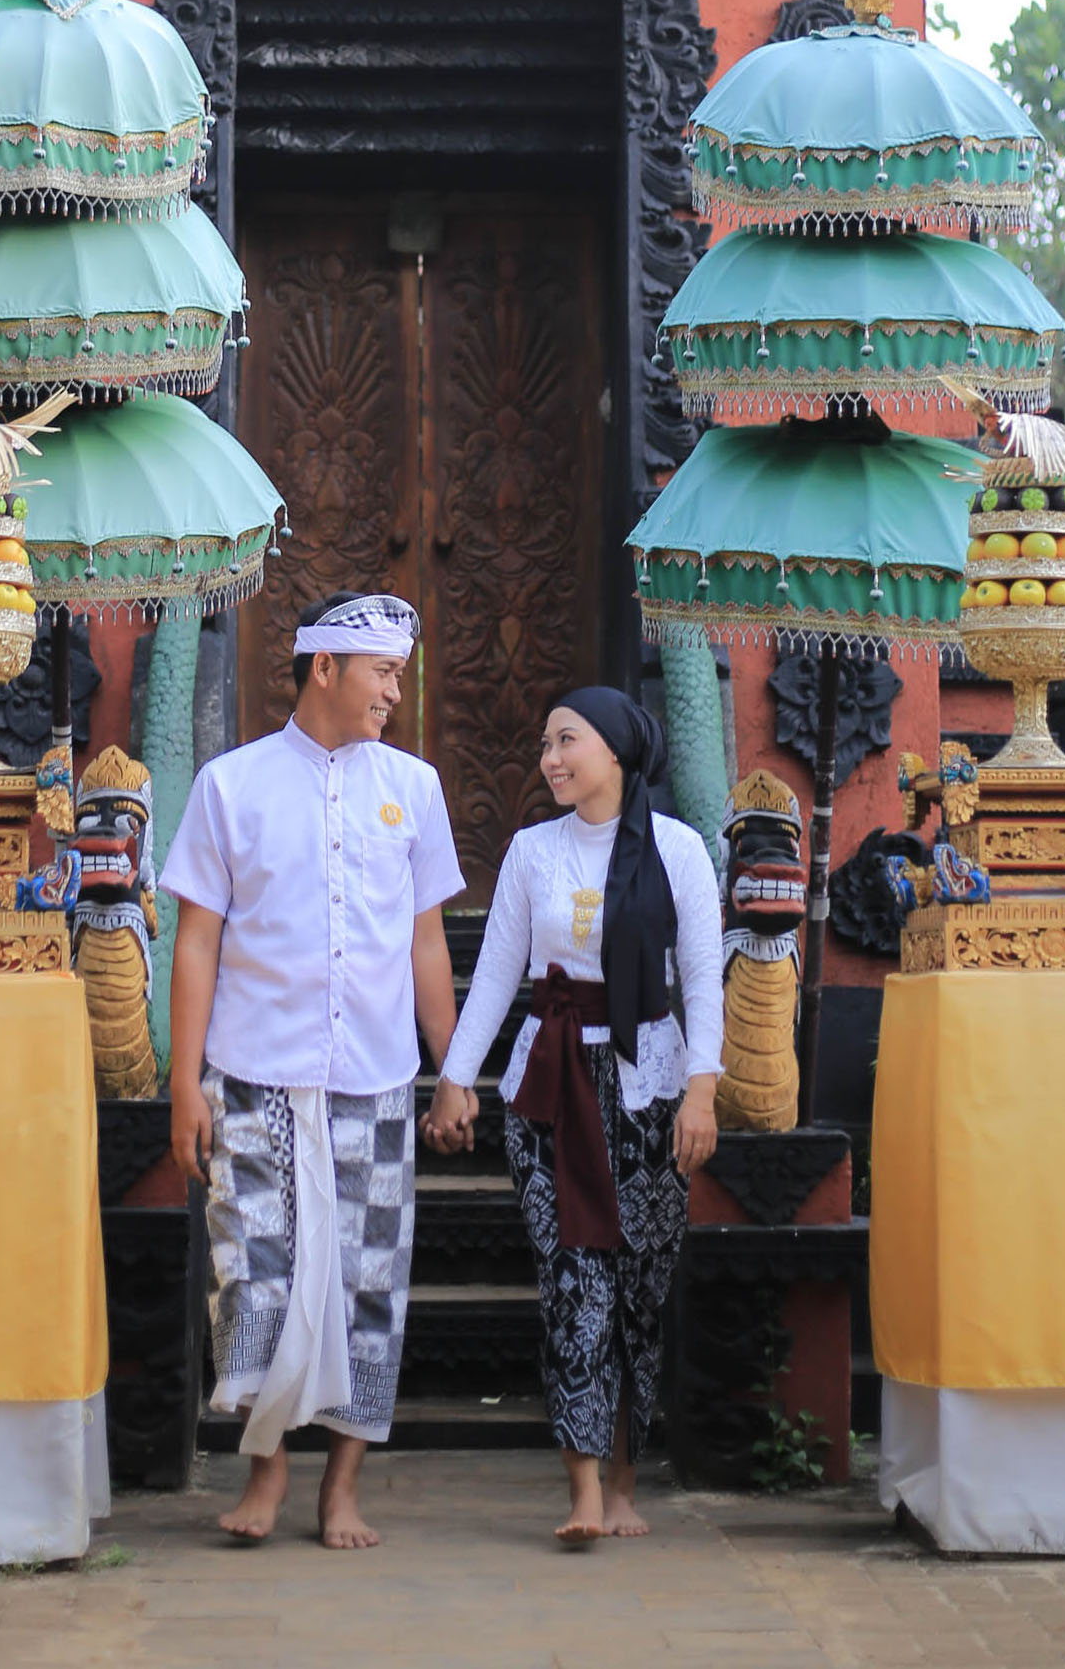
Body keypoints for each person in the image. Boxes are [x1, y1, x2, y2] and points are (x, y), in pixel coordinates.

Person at [165, 591, 475, 1549]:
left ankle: (342, 1490)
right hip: (250, 1075)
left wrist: (455, 1068)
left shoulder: (414, 788)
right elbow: (196, 944)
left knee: (367, 1286)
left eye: (399, 676)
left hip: (374, 1081)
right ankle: (267, 1468)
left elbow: (427, 944)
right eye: (382, 673)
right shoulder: (230, 785)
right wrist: (182, 1085)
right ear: (324, 668)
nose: (394, 693)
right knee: (252, 1275)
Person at [428, 688, 721, 1544]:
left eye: (567, 742)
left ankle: (625, 1482)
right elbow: (496, 975)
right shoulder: (531, 851)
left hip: (649, 1089)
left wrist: (702, 1092)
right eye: (546, 745)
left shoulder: (678, 850)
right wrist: (456, 1078)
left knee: (638, 1292)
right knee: (573, 1287)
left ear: (616, 752)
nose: (550, 759)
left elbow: (702, 976)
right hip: (552, 1089)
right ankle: (585, 1492)